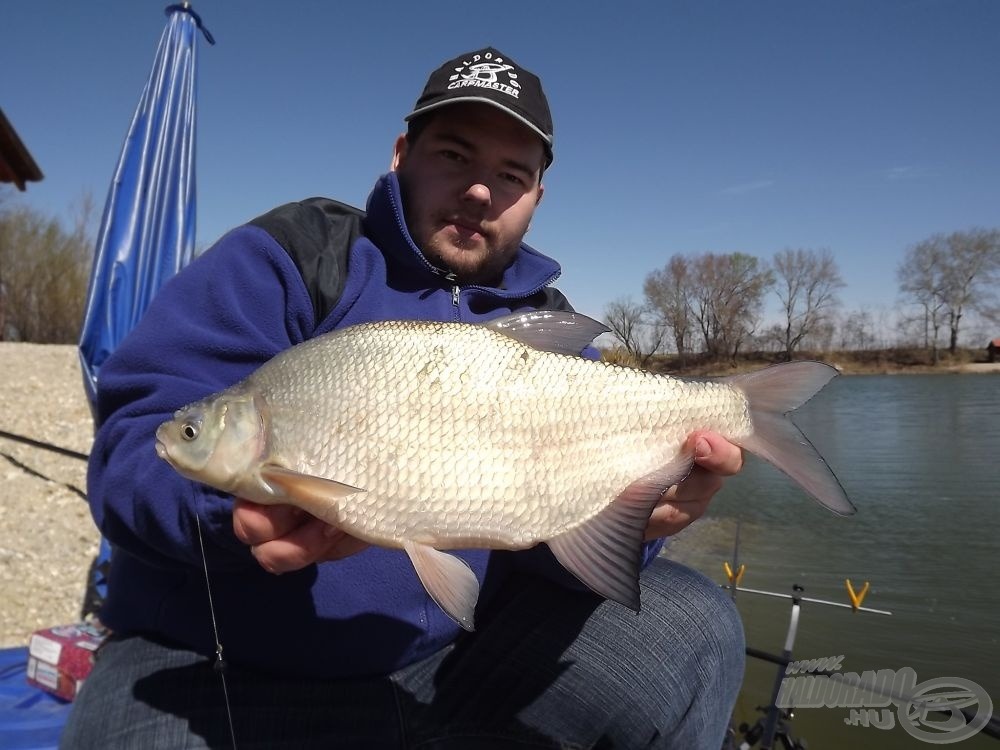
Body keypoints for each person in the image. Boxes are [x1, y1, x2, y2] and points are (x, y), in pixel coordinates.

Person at [63, 47, 745, 749]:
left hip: (444, 669)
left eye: (511, 175)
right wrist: (223, 516)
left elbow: (545, 550)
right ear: (401, 153)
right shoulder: (292, 258)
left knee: (696, 621)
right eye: (455, 155)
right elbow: (136, 446)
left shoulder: (551, 341)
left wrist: (642, 525)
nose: (481, 191)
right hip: (211, 666)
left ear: (537, 197)